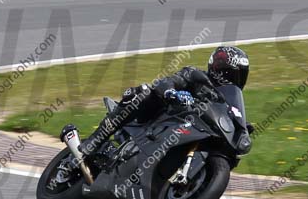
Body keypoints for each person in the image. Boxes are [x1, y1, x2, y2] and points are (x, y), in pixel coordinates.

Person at [76, 46, 253, 160]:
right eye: (230, 73)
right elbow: (169, 81)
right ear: (218, 69)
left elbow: (233, 120)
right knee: (144, 92)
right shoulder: (195, 75)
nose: (234, 78)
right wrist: (171, 92)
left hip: (190, 133)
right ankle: (95, 140)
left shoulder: (226, 102)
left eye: (239, 74)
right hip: (159, 118)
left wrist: (242, 129)